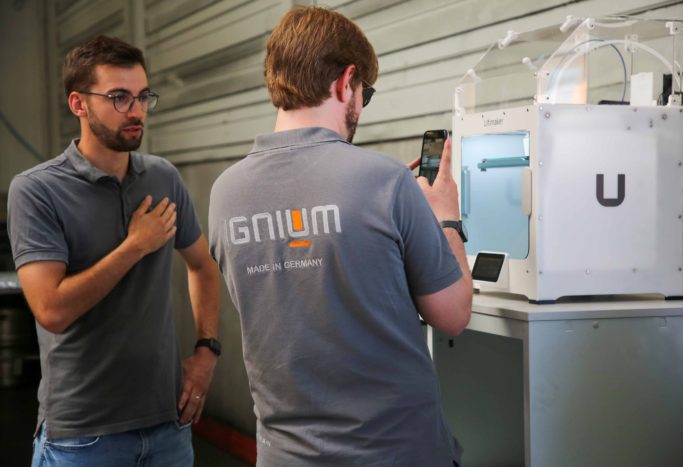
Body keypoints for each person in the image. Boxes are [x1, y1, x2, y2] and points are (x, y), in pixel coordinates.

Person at [208, 6, 473, 466]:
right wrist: (445, 218)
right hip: (394, 453)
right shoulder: (384, 180)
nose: (360, 107)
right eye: (365, 93)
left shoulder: (224, 192)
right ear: (345, 81)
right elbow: (452, 316)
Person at [7, 35, 221, 467]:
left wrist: (206, 352)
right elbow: (51, 310)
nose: (136, 110)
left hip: (168, 429)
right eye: (119, 97)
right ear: (78, 104)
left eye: (143, 97)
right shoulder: (37, 190)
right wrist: (135, 246)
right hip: (82, 438)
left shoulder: (163, 177)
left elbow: (203, 266)